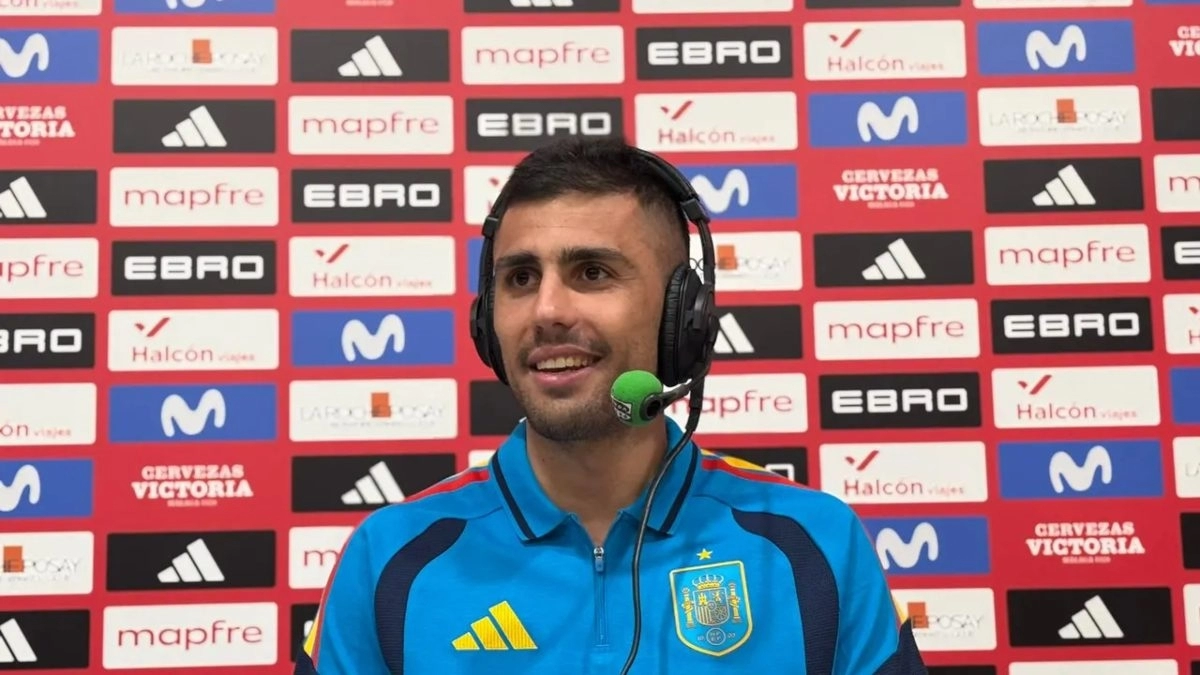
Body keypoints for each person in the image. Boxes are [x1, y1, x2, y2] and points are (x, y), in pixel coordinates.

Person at [294, 138, 927, 675]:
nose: (547, 312)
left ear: (684, 316)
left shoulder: (813, 544)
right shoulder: (391, 559)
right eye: (519, 279)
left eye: (593, 273)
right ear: (486, 322)